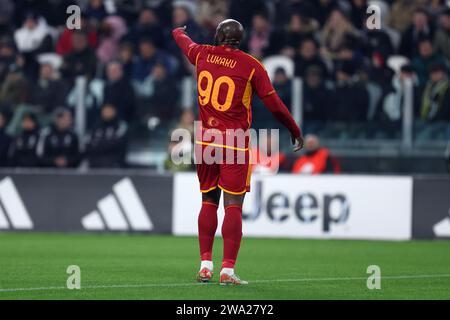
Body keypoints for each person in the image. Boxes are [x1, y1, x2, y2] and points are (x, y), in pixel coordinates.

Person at [172, 19, 303, 285]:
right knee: (233, 206)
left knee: (208, 201)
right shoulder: (251, 65)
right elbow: (274, 104)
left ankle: (205, 266)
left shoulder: (202, 54)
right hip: (234, 143)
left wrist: (177, 31)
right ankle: (227, 271)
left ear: (218, 35)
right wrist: (293, 128)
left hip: (206, 142)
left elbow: (184, 43)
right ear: (240, 40)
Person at [86, 103, 128, 168]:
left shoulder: (120, 125)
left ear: (114, 112)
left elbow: (117, 144)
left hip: (115, 164)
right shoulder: (96, 126)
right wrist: (106, 143)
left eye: (109, 111)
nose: (107, 113)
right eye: (105, 111)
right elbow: (89, 145)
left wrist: (99, 144)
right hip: (95, 165)